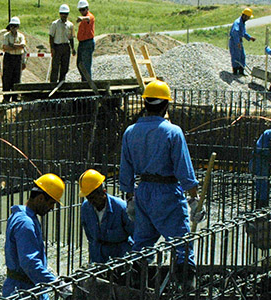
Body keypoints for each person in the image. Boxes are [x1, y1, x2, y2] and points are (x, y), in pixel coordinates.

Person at [119, 80, 199, 282]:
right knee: (182, 243)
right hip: (167, 192)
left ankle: (135, 285)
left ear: (145, 104)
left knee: (142, 243)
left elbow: (125, 168)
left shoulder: (130, 132)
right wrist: (194, 197)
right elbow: (184, 169)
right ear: (165, 105)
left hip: (142, 192)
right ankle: (185, 288)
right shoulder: (173, 131)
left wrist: (130, 198)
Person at [78, 169, 132, 264]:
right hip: (98, 258)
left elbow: (135, 234)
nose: (91, 201)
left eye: (93, 197)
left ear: (103, 191)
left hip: (120, 259)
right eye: (88, 198)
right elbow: (90, 236)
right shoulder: (85, 209)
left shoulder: (121, 208)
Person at [1, 16, 26, 103]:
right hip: (9, 58)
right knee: (7, 77)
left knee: (17, 78)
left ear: (18, 27)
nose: (13, 28)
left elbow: (22, 46)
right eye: (12, 26)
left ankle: (16, 97)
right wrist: (16, 46)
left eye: (15, 26)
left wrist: (12, 46)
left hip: (18, 58)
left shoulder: (21, 36)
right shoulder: (6, 36)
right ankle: (6, 97)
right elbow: (5, 47)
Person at [48, 4, 75, 83]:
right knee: (55, 66)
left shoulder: (70, 25)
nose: (64, 15)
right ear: (60, 14)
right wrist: (52, 48)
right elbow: (51, 36)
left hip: (66, 47)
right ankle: (53, 83)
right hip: (57, 46)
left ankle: (62, 82)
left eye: (66, 14)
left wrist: (73, 48)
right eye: (62, 13)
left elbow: (71, 37)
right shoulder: (55, 24)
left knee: (65, 67)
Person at [228, 8, 256, 76]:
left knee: (242, 56)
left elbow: (243, 33)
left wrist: (249, 38)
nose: (248, 19)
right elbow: (235, 33)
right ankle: (235, 71)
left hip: (239, 41)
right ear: (244, 16)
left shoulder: (242, 23)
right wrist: (237, 43)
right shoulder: (237, 23)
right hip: (234, 41)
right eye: (248, 17)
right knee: (235, 55)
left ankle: (241, 71)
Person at [75, 0, 95, 82]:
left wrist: (82, 18)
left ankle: (87, 83)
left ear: (87, 8)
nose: (81, 12)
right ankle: (85, 80)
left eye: (83, 10)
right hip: (82, 43)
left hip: (87, 42)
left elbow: (88, 18)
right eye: (80, 10)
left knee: (86, 65)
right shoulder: (84, 19)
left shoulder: (90, 16)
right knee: (79, 64)